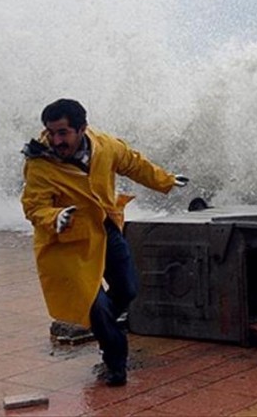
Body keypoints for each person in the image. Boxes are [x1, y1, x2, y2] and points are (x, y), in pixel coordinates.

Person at [20, 98, 188, 386]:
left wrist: (166, 180)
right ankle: (115, 362)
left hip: (105, 227)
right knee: (95, 305)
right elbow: (34, 206)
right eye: (51, 132)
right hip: (67, 242)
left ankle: (103, 325)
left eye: (63, 133)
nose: (55, 140)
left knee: (128, 289)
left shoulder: (105, 146)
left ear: (82, 129)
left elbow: (134, 164)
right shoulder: (39, 164)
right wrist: (55, 216)